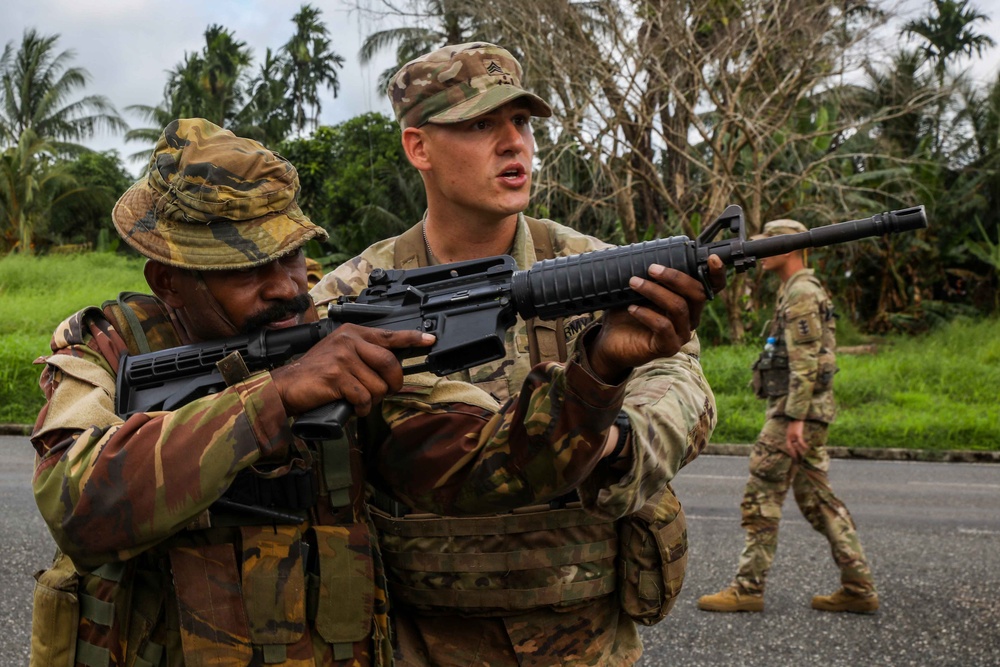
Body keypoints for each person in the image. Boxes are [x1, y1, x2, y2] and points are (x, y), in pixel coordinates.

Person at [26, 118, 697, 666]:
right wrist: (275, 398)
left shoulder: (328, 347)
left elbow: (492, 465)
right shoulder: (105, 353)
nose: (290, 285)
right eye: (252, 268)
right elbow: (78, 500)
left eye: (292, 254)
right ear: (169, 281)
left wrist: (600, 370)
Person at [312, 42, 725, 666]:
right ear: (418, 147)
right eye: (481, 125)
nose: (515, 144)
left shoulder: (591, 269)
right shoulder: (352, 295)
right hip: (415, 634)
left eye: (522, 123)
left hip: (580, 633)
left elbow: (681, 381)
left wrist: (613, 437)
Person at [696, 218, 879, 615]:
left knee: (761, 495)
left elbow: (807, 362)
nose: (758, 252)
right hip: (804, 412)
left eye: (767, 244)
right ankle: (858, 584)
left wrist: (794, 418)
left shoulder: (801, 292)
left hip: (795, 414)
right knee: (818, 501)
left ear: (791, 247)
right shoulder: (793, 290)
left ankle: (748, 587)